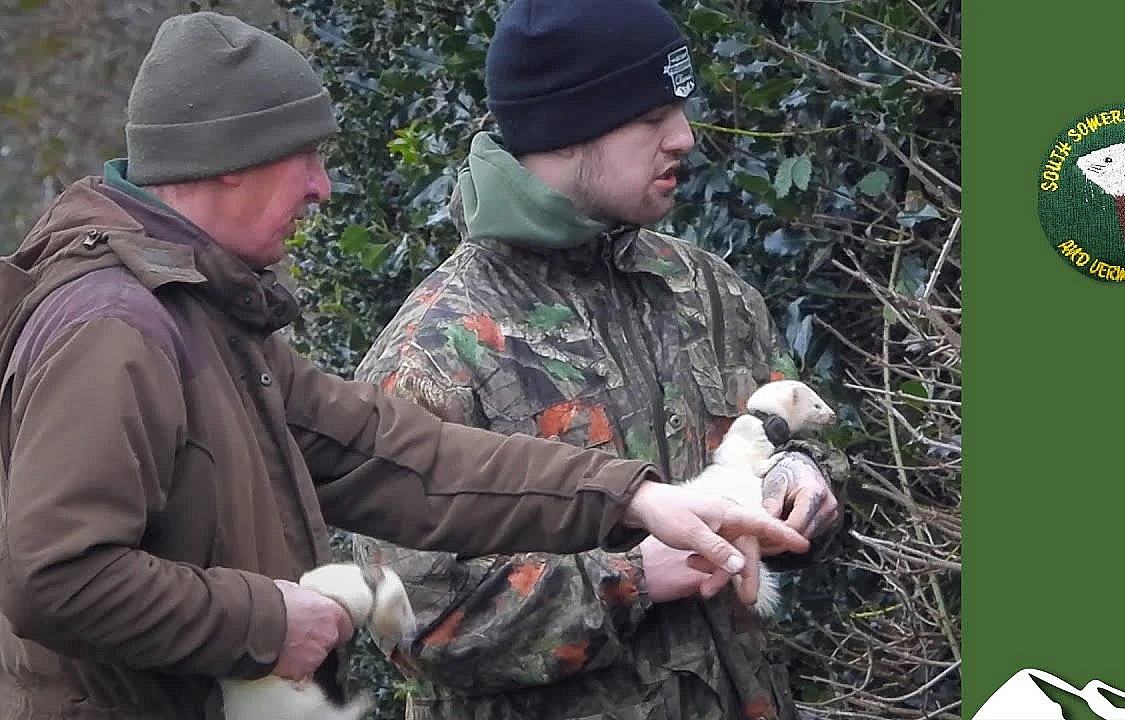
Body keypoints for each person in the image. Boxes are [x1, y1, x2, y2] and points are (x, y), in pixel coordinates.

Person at [0, 12, 812, 720]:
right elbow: (55, 577)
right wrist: (268, 622)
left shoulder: (206, 318)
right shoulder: (116, 326)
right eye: (304, 159)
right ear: (229, 162)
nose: (322, 188)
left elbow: (397, 454)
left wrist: (634, 497)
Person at [350, 1, 850, 718]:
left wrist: (805, 481)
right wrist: (636, 577)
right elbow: (412, 622)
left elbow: (801, 439)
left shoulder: (704, 288)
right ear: (567, 126)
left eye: (679, 108)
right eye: (651, 118)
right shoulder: (435, 353)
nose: (684, 137)